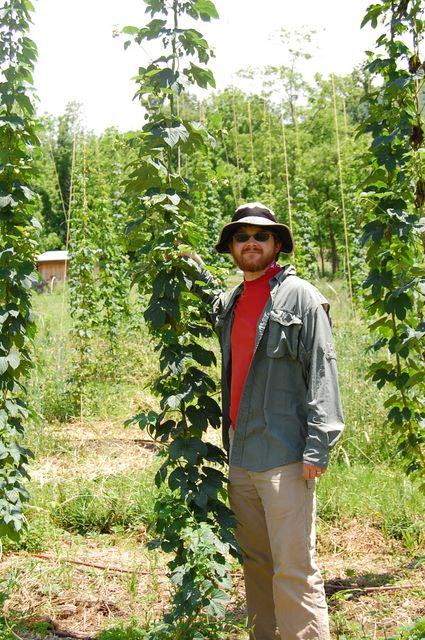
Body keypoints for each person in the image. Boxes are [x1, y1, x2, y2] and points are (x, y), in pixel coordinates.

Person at [191, 202, 344, 640]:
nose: (251, 243)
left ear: (277, 244)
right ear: (232, 248)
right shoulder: (234, 300)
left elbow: (322, 368)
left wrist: (319, 446)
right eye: (242, 237)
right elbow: (214, 301)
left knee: (294, 569)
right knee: (256, 565)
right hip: (241, 457)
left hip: (286, 457)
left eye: (261, 235)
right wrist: (193, 267)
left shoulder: (301, 297)